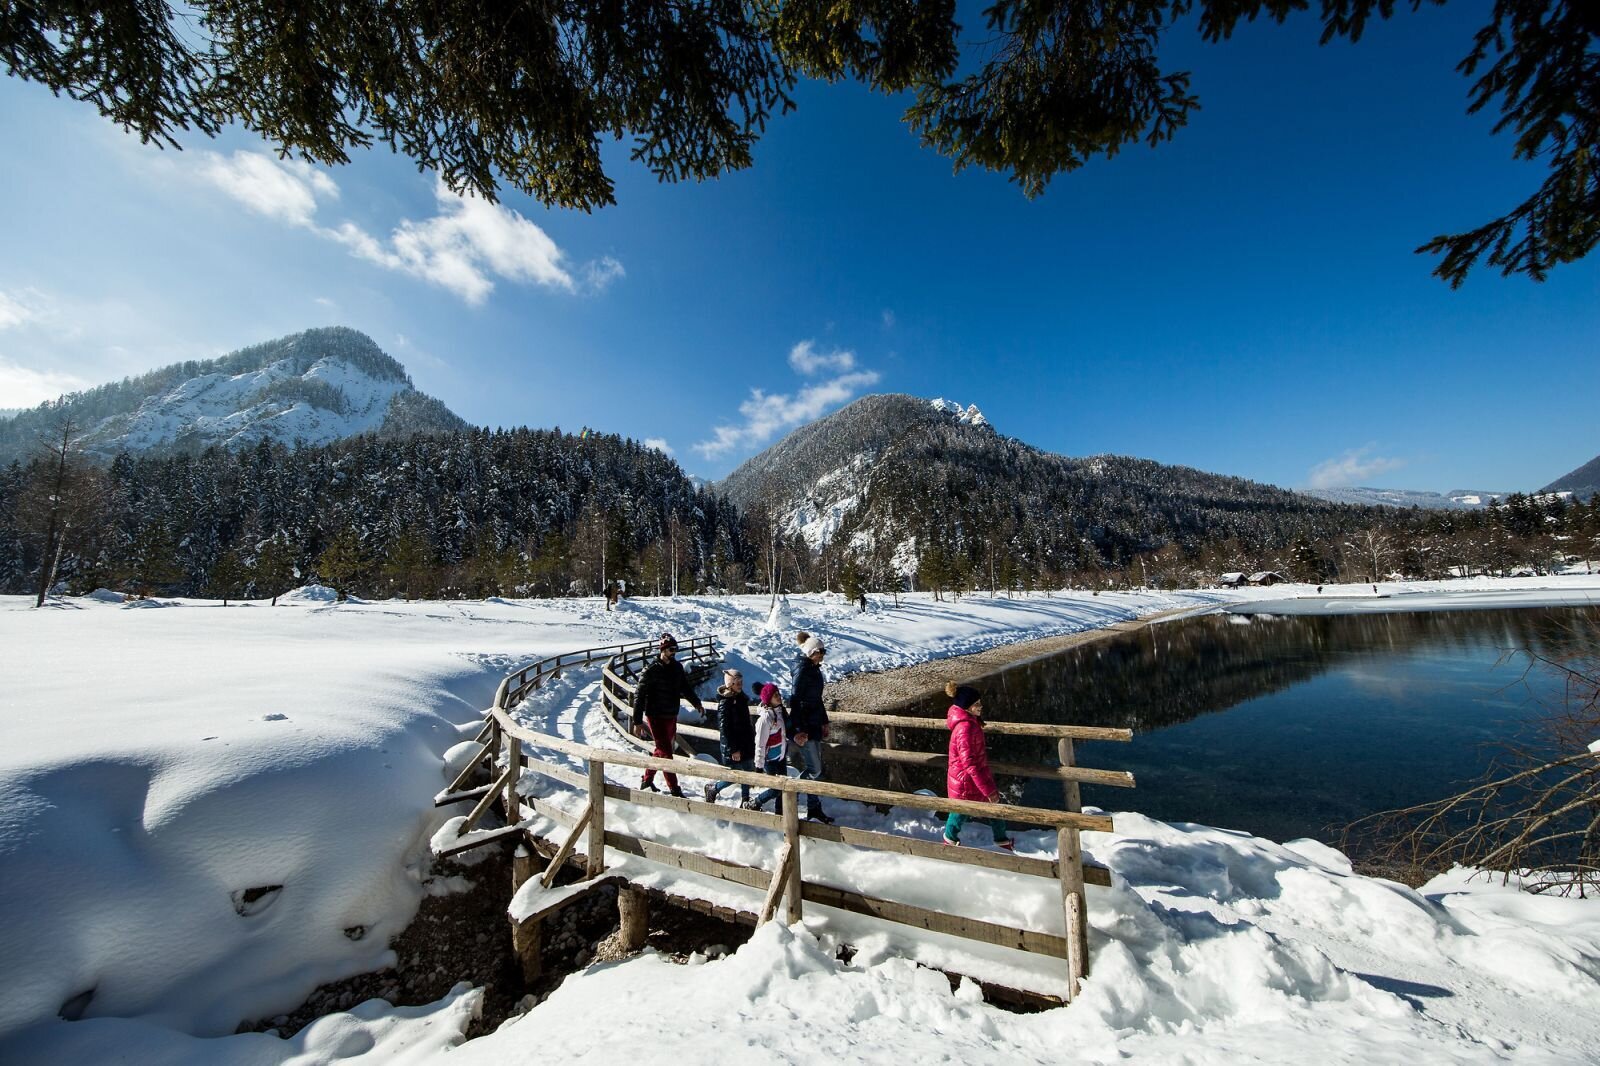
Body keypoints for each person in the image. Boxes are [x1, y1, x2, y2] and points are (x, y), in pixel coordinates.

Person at [941, 681, 1013, 851]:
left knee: (966, 809)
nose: (981, 706)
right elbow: (969, 763)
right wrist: (987, 788)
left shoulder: (969, 722)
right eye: (977, 704)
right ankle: (950, 841)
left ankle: (1001, 841)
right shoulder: (965, 728)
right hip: (967, 780)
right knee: (970, 808)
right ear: (966, 706)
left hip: (966, 778)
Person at [631, 632, 704, 796]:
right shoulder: (650, 670)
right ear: (662, 650)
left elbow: (685, 687)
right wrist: (637, 721)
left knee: (661, 750)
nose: (674, 652)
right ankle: (675, 789)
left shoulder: (677, 668)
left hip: (671, 714)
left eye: (675, 649)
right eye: (671, 649)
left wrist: (696, 702)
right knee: (666, 753)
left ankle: (647, 779)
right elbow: (639, 695)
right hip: (655, 715)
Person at [788, 635, 834, 824]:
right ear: (813, 652)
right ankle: (788, 791)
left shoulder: (813, 669)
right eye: (821, 651)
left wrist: (824, 721)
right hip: (805, 726)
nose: (823, 654)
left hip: (814, 723)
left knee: (815, 768)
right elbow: (795, 699)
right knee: (815, 769)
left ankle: (814, 808)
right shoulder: (802, 670)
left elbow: (816, 699)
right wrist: (798, 729)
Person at [704, 668, 756, 805]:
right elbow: (725, 729)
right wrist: (733, 749)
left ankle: (745, 800)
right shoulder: (726, 703)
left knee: (748, 772)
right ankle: (714, 789)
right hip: (735, 746)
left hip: (745, 742)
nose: (740, 685)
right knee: (735, 774)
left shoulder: (740, 699)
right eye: (737, 682)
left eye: (741, 682)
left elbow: (745, 724)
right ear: (730, 684)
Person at [744, 683, 789, 812]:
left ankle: (781, 812)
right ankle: (756, 802)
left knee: (784, 787)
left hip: (780, 756)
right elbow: (760, 743)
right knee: (776, 789)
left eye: (779, 694)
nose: (779, 697)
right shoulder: (765, 719)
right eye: (775, 695)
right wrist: (759, 766)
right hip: (770, 760)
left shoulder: (780, 711)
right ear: (769, 699)